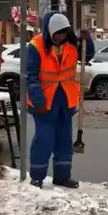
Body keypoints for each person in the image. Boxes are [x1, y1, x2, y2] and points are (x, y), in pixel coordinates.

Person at [26, 12, 94, 189]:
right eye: (58, 33)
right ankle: (37, 178)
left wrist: (89, 40)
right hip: (44, 101)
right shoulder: (35, 46)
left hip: (65, 100)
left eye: (64, 33)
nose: (61, 37)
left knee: (64, 141)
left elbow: (87, 56)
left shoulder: (71, 44)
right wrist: (38, 101)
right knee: (44, 141)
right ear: (50, 31)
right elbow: (30, 77)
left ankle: (62, 176)